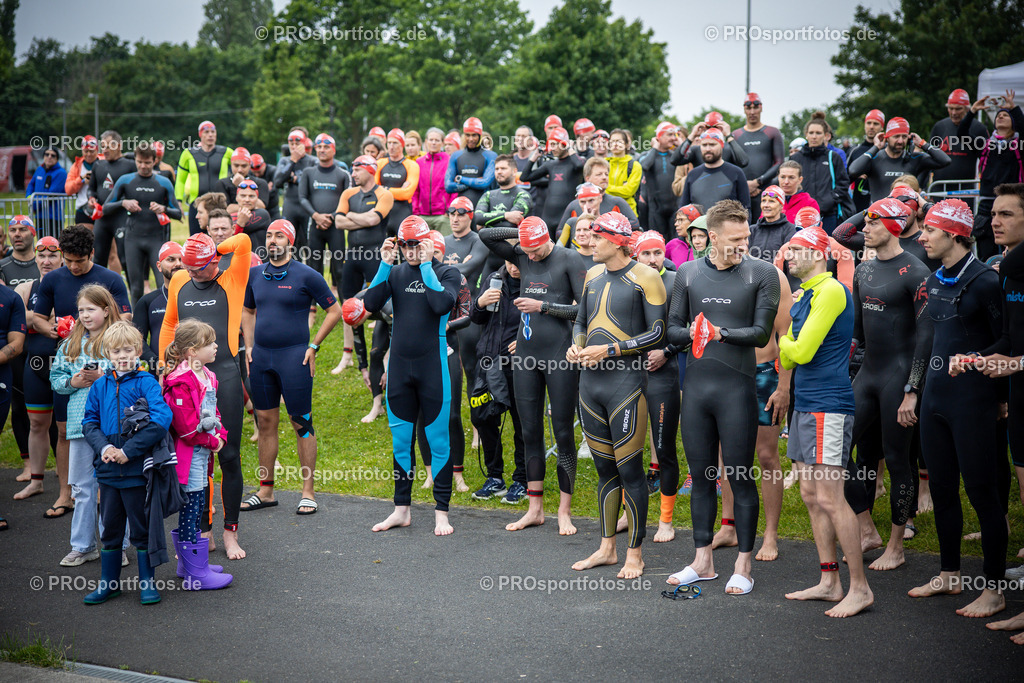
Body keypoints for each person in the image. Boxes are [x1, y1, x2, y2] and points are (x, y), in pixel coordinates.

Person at [665, 199, 779, 596]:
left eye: (746, 236)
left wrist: (718, 333)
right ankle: (703, 560)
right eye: (734, 239)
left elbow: (761, 333)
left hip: (737, 390)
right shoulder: (688, 272)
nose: (743, 244)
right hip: (697, 390)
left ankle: (744, 564)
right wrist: (695, 332)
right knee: (701, 477)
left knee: (740, 476)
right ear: (712, 237)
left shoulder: (762, 272)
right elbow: (672, 330)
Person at [909, 199, 1007, 619]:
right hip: (935, 399)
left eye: (930, 230)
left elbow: (1008, 340)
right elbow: (928, 340)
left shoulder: (986, 282)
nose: (922, 237)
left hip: (973, 401)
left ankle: (994, 588)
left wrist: (997, 390)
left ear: (955, 235)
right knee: (943, 489)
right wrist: (913, 388)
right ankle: (949, 574)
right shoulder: (933, 280)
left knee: (983, 493)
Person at [777, 226, 874, 617]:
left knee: (832, 499)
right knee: (810, 495)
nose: (789, 256)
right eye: (788, 250)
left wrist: (783, 338)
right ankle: (829, 581)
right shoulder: (806, 293)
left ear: (819, 254)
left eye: (796, 250)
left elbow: (797, 352)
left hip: (828, 406)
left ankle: (860, 588)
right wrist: (788, 345)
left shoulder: (831, 291)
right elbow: (789, 356)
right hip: (805, 404)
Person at [566, 212, 665, 578]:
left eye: (597, 237)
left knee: (630, 472)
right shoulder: (592, 275)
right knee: (605, 471)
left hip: (626, 385)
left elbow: (658, 333)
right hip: (590, 386)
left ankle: (634, 554)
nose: (589, 242)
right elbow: (581, 320)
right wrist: (577, 346)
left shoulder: (646, 277)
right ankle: (607, 548)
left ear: (617, 241)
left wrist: (608, 351)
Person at [841, 198, 932, 571]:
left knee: (897, 460)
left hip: (900, 378)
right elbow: (858, 333)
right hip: (868, 374)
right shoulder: (863, 270)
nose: (864, 228)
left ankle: (896, 545)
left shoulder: (916, 272)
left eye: (873, 222)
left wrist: (912, 390)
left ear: (894, 226)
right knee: (836, 449)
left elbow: (926, 337)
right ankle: (866, 528)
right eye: (866, 221)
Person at [480, 217, 587, 535]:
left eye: (535, 249)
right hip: (526, 357)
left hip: (559, 356)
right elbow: (487, 235)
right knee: (529, 432)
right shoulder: (524, 253)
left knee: (563, 433)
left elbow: (585, 311)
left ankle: (564, 511)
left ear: (547, 239)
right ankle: (535, 509)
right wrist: (524, 232)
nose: (530, 256)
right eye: (525, 250)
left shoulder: (569, 258)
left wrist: (544, 307)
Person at [364, 216, 461, 535]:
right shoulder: (395, 273)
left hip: (433, 367)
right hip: (400, 369)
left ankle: (441, 512)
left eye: (415, 244)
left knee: (439, 440)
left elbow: (441, 304)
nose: (409, 250)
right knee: (401, 441)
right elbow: (370, 303)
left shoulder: (447, 272)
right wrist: (384, 263)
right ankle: (401, 510)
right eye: (404, 245)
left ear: (428, 242)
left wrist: (428, 264)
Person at [240, 220, 342, 516]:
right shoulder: (254, 274)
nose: (272, 240)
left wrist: (314, 346)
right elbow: (248, 310)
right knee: (265, 422)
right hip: (262, 358)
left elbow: (334, 311)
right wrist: (249, 345)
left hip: (294, 359)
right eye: (269, 235)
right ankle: (266, 490)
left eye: (279, 236)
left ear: (291, 242)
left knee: (302, 423)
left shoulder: (306, 275)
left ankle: (308, 492)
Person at [160, 231, 251, 560]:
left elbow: (242, 243)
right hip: (189, 380)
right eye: (187, 267)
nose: (191, 273)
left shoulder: (232, 277)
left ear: (214, 261)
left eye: (197, 268)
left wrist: (213, 249)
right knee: (197, 456)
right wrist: (165, 367)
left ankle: (230, 533)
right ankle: (204, 531)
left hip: (224, 375)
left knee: (229, 456)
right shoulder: (179, 280)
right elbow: (170, 324)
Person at [32, 226, 131, 520]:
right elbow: (38, 318)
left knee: (107, 430)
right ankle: (66, 493)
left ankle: (100, 490)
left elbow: (125, 316)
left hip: (103, 356)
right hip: (69, 357)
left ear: (92, 254)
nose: (73, 266)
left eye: (80, 261)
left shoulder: (110, 278)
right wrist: (56, 330)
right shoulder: (52, 279)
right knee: (65, 430)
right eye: (69, 260)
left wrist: (100, 334)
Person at [80, 321, 172, 605]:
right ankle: (109, 585)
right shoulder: (99, 386)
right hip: (108, 471)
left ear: (138, 351)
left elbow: (161, 419)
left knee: (141, 529)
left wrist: (128, 451)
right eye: (116, 351)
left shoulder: (147, 382)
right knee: (110, 529)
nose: (122, 356)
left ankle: (147, 583)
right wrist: (105, 447)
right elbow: (89, 422)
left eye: (128, 350)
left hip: (136, 471)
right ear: (107, 353)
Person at [49, 285, 122, 567]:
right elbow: (56, 379)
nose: (85, 315)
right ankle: (83, 546)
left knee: (113, 487)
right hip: (80, 426)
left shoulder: (119, 339)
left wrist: (105, 375)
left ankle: (116, 545)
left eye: (91, 309)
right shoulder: (70, 343)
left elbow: (134, 371)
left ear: (106, 309)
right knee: (82, 488)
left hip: (112, 425)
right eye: (81, 310)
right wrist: (73, 382)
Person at [981, 183, 1024, 642]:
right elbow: (1011, 338)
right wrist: (979, 357)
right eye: (994, 213)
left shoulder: (1011, 266)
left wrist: (1017, 363)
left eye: (1007, 214)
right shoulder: (1009, 272)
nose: (995, 221)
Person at [162, 319, 232, 590]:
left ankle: (190, 564)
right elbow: (186, 428)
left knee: (199, 502)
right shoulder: (180, 381)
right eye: (209, 343)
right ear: (192, 351)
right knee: (191, 508)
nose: (216, 346)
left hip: (203, 453)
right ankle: (195, 572)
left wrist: (221, 434)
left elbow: (214, 413)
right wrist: (212, 441)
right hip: (189, 455)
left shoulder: (207, 375)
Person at [631, 231, 684, 541]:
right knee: (627, 449)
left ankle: (666, 520)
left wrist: (667, 352)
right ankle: (628, 513)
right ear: (636, 255)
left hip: (663, 372)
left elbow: (689, 328)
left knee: (664, 449)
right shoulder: (627, 280)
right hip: (629, 374)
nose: (653, 259)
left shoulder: (676, 281)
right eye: (646, 254)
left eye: (658, 253)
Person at [468, 258, 527, 503]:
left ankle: (522, 480)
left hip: (520, 366)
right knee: (483, 418)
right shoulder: (494, 279)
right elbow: (475, 317)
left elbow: (549, 321)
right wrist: (480, 303)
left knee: (522, 424)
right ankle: (495, 477)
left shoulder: (535, 283)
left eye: (518, 263)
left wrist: (527, 341)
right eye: (510, 262)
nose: (514, 268)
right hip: (488, 362)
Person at [11, 235, 62, 501]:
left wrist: (35, 319)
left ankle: (71, 486)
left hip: (65, 367)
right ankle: (36, 481)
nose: (46, 261)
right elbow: (19, 319)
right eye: (41, 256)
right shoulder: (26, 288)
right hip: (35, 365)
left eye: (52, 255)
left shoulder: (68, 285)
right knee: (37, 423)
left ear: (62, 257)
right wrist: (45, 318)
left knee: (67, 428)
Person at [333, 155, 394, 378]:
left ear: (370, 170)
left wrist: (350, 215)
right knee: (348, 305)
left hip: (375, 255)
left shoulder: (384, 194)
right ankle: (349, 356)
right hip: (352, 256)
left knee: (380, 305)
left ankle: (384, 356)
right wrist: (360, 218)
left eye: (357, 170)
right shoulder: (348, 194)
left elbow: (374, 220)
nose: (353, 174)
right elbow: (338, 221)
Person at [103, 145, 182, 304]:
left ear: (155, 161)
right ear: (135, 160)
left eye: (147, 162)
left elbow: (178, 213)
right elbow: (105, 208)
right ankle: (137, 319)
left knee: (163, 284)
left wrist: (164, 208)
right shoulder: (126, 180)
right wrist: (123, 203)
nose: (143, 166)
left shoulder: (163, 182)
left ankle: (166, 316)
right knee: (136, 288)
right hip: (133, 239)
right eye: (139, 162)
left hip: (156, 239)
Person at [960, 90, 1023, 260]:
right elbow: (961, 134)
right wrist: (972, 111)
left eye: (1005, 115)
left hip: (1012, 204)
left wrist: (1014, 108)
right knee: (986, 257)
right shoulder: (985, 145)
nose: (1000, 116)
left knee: (1013, 255)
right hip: (987, 206)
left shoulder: (1019, 144)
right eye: (998, 115)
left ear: (1014, 122)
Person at [1, 216, 38, 477]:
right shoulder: (3, 267)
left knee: (46, 406)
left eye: (23, 229)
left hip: (39, 344)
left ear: (33, 233)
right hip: (14, 347)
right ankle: (27, 464)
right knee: (19, 403)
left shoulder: (43, 263)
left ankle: (56, 465)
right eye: (12, 230)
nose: (17, 234)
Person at [847, 116, 951, 205]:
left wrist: (922, 143)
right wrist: (876, 147)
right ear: (887, 137)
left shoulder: (914, 159)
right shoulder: (875, 158)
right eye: (896, 136)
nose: (900, 141)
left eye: (904, 136)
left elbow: (945, 161)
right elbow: (853, 170)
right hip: (880, 216)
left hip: (906, 216)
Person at [300, 133, 351, 288]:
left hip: (335, 227)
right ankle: (314, 303)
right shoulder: (308, 173)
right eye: (319, 147)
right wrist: (316, 216)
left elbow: (348, 200)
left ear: (334, 150)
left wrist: (332, 217)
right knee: (314, 270)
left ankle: (344, 302)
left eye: (326, 147)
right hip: (315, 226)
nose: (322, 150)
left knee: (340, 270)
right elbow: (302, 198)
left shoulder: (343, 174)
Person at [789, 114, 854, 232]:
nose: (814, 136)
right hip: (800, 214)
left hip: (828, 215)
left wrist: (830, 200)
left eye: (818, 133)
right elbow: (789, 183)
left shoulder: (833, 157)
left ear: (825, 136)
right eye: (811, 133)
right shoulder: (796, 158)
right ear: (806, 134)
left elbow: (843, 183)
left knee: (827, 244)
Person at [521, 127, 584, 235]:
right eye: (551, 144)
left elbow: (579, 166)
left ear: (564, 144)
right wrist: (534, 157)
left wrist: (569, 148)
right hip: (548, 217)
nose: (552, 148)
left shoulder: (575, 163)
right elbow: (524, 177)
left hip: (566, 218)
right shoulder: (550, 165)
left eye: (555, 144)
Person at [88, 131, 136, 272]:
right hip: (103, 218)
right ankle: (98, 287)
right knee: (98, 259)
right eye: (103, 146)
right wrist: (91, 198)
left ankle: (132, 286)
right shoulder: (98, 165)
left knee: (125, 258)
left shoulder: (130, 165)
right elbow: (92, 189)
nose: (105, 150)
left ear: (119, 146)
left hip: (122, 216)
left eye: (109, 146)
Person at [734, 93, 786, 221]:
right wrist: (745, 185)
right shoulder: (736, 135)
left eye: (755, 108)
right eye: (748, 108)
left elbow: (779, 163)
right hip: (742, 191)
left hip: (766, 192)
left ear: (761, 108)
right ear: (744, 109)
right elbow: (731, 165)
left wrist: (758, 182)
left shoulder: (772, 132)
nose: (752, 112)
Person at [176, 121, 233, 236]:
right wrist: (178, 201)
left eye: (213, 132)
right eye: (206, 132)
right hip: (196, 204)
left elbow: (241, 167)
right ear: (200, 134)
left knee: (220, 237)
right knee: (197, 239)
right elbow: (180, 180)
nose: (210, 135)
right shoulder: (188, 154)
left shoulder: (226, 152)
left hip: (219, 203)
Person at [133, 241, 182, 371]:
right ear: (159, 266)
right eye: (171, 259)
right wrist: (156, 363)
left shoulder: (197, 296)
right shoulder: (147, 301)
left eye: (181, 259)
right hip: (160, 371)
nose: (178, 264)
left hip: (194, 368)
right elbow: (136, 340)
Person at [680, 129, 751, 220]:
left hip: (727, 228)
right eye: (704, 145)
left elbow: (746, 209)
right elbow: (683, 209)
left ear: (722, 145)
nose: (708, 149)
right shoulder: (693, 174)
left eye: (712, 144)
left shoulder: (736, 173)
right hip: (698, 228)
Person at [556, 157, 638, 235]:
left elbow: (635, 225)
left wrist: (608, 227)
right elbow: (559, 232)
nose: (604, 177)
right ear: (587, 179)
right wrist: (579, 231)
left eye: (606, 174)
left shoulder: (617, 202)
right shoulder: (574, 205)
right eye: (599, 174)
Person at [929, 89, 989, 192]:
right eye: (950, 108)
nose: (954, 113)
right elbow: (929, 157)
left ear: (967, 109)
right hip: (939, 188)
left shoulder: (978, 128)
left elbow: (987, 160)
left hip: (965, 189)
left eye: (958, 109)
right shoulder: (940, 127)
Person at [274, 128, 318, 254]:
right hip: (290, 206)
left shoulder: (313, 161)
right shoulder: (285, 160)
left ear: (304, 143)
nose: (294, 147)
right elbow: (277, 182)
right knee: (288, 245)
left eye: (297, 144)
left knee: (309, 245)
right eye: (291, 144)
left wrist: (294, 178)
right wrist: (293, 160)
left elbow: (314, 183)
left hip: (307, 208)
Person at [376, 129, 420, 235]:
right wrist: (398, 191)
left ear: (402, 145)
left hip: (402, 213)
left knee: (403, 245)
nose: (391, 146)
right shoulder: (380, 163)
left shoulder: (412, 165)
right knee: (381, 245)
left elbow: (407, 194)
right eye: (389, 143)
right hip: (383, 213)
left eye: (395, 143)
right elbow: (374, 190)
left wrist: (384, 189)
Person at [445, 117, 497, 206]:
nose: (471, 139)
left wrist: (460, 179)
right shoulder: (456, 156)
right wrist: (475, 182)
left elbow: (485, 183)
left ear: (480, 135)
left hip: (483, 208)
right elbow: (448, 187)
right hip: (462, 209)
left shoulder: (491, 156)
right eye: (467, 135)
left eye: (474, 135)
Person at [413, 127, 454, 234]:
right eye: (431, 140)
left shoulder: (449, 160)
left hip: (442, 216)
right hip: (422, 215)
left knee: (444, 244)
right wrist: (416, 211)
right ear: (426, 142)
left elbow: (454, 188)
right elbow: (415, 189)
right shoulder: (419, 162)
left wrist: (449, 210)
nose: (433, 143)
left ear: (442, 143)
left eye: (437, 140)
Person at [848, 110, 886, 212]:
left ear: (882, 127)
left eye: (876, 124)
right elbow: (845, 178)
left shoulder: (887, 150)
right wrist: (856, 174)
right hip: (858, 205)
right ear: (865, 126)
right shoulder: (855, 151)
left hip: (882, 204)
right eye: (869, 123)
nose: (871, 127)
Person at [216, 148, 273, 216]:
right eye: (236, 165)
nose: (240, 170)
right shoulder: (221, 184)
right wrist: (251, 206)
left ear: (249, 165)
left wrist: (243, 184)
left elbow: (261, 206)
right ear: (231, 165)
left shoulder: (260, 183)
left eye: (244, 166)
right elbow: (227, 209)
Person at [748, 185, 796, 263]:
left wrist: (757, 264)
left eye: (771, 201)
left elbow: (786, 258)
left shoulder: (790, 230)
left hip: (776, 271)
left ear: (781, 206)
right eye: (763, 201)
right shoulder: (752, 230)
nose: (766, 205)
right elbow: (744, 257)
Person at [26, 147, 68, 237]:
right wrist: (29, 197)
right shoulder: (39, 170)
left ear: (57, 158)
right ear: (43, 156)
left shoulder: (61, 173)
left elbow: (51, 195)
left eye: (53, 155)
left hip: (54, 217)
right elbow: (31, 185)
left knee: (54, 243)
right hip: (40, 215)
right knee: (41, 242)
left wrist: (34, 205)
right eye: (47, 154)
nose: (49, 157)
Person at [65, 136, 101, 225]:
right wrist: (81, 179)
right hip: (82, 209)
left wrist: (95, 180)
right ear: (82, 151)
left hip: (100, 207)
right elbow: (68, 190)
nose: (89, 154)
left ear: (97, 150)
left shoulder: (103, 163)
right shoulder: (77, 165)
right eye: (86, 151)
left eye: (92, 151)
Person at [606, 129, 642, 214]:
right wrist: (621, 189)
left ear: (626, 144)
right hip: (606, 211)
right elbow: (597, 187)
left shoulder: (635, 165)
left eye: (619, 141)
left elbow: (628, 191)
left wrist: (607, 188)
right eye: (612, 141)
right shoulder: (603, 164)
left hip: (628, 212)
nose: (615, 144)